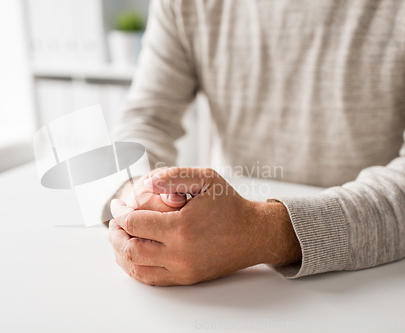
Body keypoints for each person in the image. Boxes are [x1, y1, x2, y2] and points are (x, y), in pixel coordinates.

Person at [105, 0, 405, 286]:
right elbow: (145, 118)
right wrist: (140, 194)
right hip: (222, 277)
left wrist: (263, 233)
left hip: (374, 279)